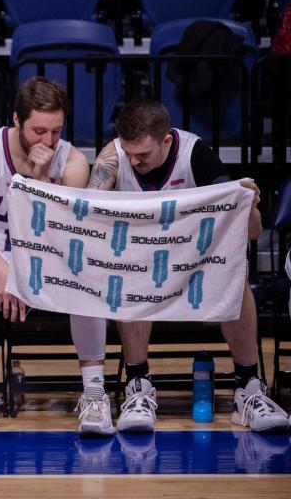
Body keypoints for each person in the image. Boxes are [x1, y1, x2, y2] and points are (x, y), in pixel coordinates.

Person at [87, 97, 289, 433]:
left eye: (143, 155)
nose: (134, 162)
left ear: (166, 141)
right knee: (125, 274)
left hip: (193, 270)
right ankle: (138, 384)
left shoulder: (196, 154)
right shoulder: (113, 156)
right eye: (130, 153)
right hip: (141, 268)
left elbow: (251, 231)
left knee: (235, 277)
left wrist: (248, 204)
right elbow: (90, 214)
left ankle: (248, 387)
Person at [0, 77, 112, 438]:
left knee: (89, 273)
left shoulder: (74, 162)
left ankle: (96, 395)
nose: (47, 141)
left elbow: (60, 233)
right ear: (16, 120)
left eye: (56, 131)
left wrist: (39, 177)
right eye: (38, 130)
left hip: (49, 261)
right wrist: (6, 270)